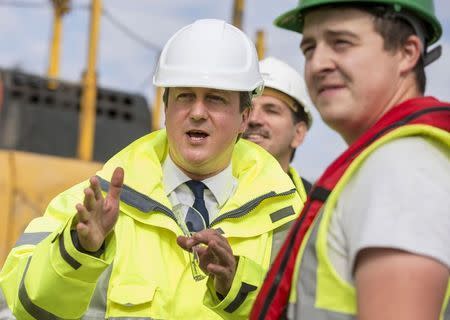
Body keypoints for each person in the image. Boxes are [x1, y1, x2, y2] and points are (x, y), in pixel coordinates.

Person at [0, 19, 303, 319]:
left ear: (244, 117)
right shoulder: (93, 202)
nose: (197, 113)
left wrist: (238, 287)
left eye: (215, 99)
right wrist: (78, 249)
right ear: (166, 108)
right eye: (185, 96)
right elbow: (22, 306)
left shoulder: (287, 220)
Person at [251, 0, 450, 319]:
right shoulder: (385, 164)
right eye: (309, 48)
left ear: (407, 53)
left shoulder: (402, 168)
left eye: (341, 43)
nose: (317, 64)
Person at [243, 56, 314, 201]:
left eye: (271, 110)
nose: (254, 119)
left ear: (298, 133)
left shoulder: (317, 208)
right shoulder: (199, 194)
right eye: (247, 108)